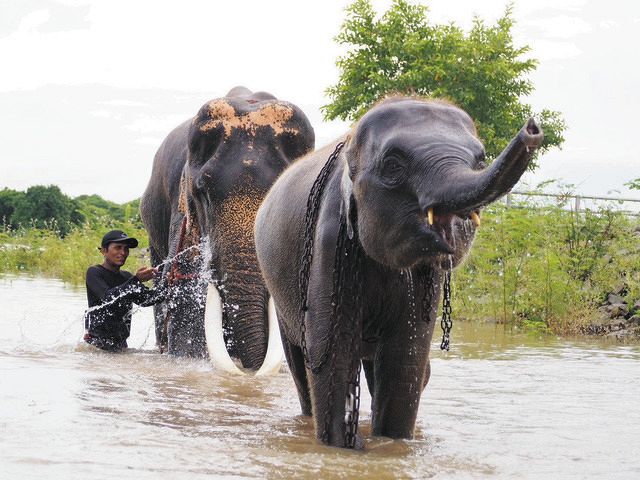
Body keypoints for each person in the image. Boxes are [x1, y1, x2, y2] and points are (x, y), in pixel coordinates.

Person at [84, 229, 166, 352]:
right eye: (118, 248)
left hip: (121, 346)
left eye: (126, 249)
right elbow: (108, 297)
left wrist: (169, 283)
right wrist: (136, 280)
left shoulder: (126, 277)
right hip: (97, 346)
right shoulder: (94, 272)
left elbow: (147, 300)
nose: (123, 252)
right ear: (104, 251)